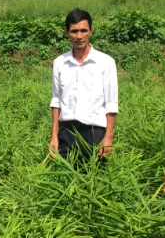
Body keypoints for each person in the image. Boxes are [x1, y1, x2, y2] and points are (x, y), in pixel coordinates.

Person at [49, 9, 118, 164]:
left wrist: (108, 137)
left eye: (83, 30)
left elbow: (111, 103)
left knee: (95, 181)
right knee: (64, 177)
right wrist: (54, 135)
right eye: (74, 31)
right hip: (66, 132)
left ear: (91, 31)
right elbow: (56, 101)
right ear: (66, 32)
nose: (79, 36)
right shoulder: (60, 63)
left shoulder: (106, 62)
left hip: (94, 132)